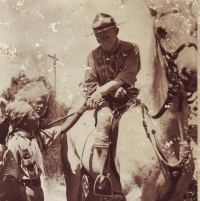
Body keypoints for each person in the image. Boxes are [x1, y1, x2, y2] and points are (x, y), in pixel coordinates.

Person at [61, 13, 141, 195]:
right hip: (104, 103)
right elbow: (89, 83)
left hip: (128, 99)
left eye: (106, 35)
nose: (102, 40)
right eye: (98, 37)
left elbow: (128, 75)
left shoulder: (131, 49)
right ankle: (103, 177)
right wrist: (109, 92)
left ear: (116, 31)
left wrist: (110, 89)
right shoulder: (93, 56)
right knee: (104, 120)